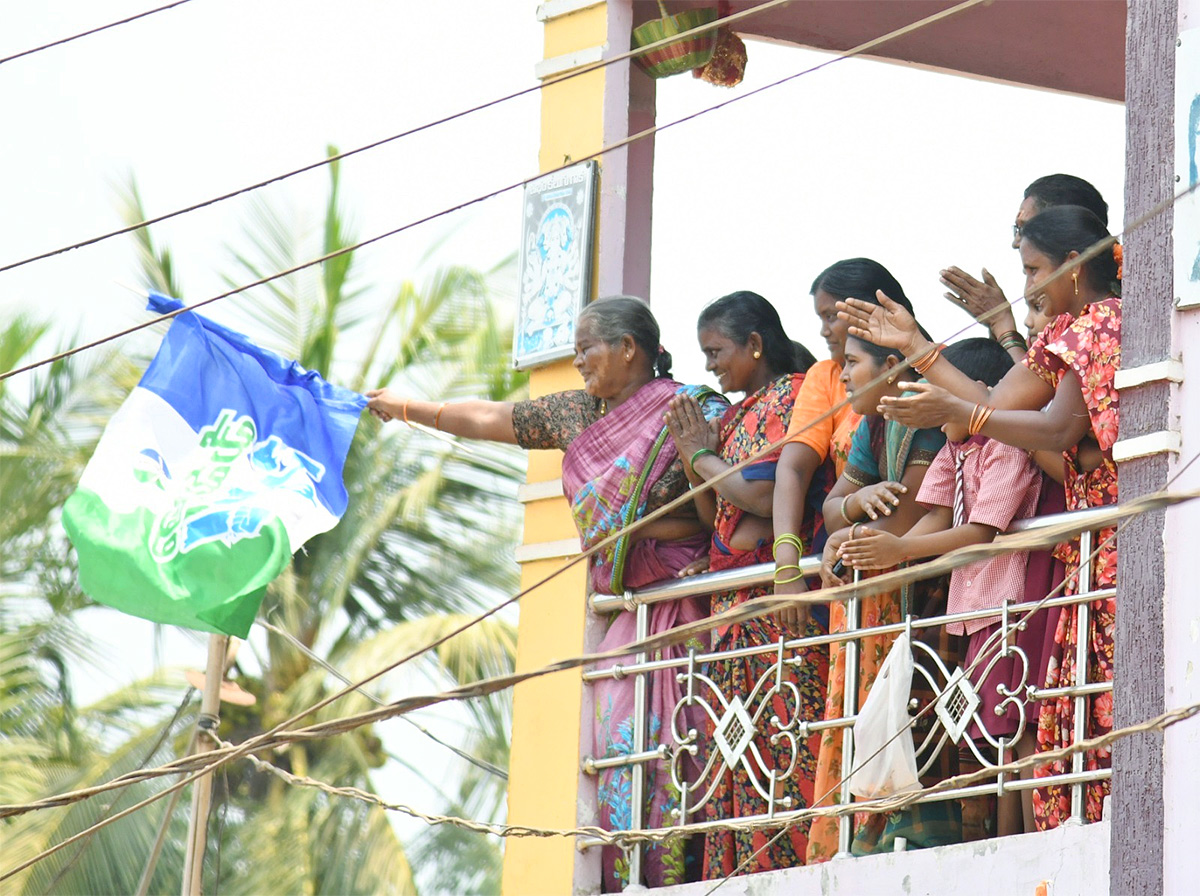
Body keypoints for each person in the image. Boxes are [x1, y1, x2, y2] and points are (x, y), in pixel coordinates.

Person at [367, 296, 728, 890]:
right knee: (618, 740)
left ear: (628, 348)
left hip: (691, 603)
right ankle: (626, 872)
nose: (579, 360)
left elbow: (719, 511)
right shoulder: (576, 414)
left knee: (685, 743)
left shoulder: (691, 410)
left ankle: (687, 869)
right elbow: (490, 419)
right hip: (624, 615)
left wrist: (649, 527)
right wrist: (405, 407)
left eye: (587, 347)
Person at [836, 204, 1121, 832]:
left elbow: (1054, 427)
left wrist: (970, 419)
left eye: (1033, 270)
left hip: (1115, 543)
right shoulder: (1062, 336)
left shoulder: (1102, 325)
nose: (1025, 289)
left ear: (1073, 269)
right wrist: (914, 345)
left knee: (1084, 719)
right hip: (1090, 547)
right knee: (1043, 721)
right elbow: (990, 399)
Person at [836, 338, 1047, 836]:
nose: (933, 413)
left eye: (940, 397)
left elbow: (981, 531)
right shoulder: (956, 446)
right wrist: (887, 550)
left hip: (1008, 603)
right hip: (973, 606)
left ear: (979, 393)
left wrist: (900, 552)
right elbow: (933, 513)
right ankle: (1001, 834)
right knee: (988, 727)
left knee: (1016, 728)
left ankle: (1021, 837)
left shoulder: (1005, 445)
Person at [790, 265, 960, 863]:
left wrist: (848, 528)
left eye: (853, 367)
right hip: (871, 599)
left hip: (918, 597)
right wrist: (850, 511)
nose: (844, 377)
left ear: (890, 367)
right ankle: (859, 828)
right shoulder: (871, 423)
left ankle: (899, 829)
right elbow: (837, 506)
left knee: (909, 714)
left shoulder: (918, 412)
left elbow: (908, 516)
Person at [662, 290, 828, 877]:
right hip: (734, 610)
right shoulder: (734, 413)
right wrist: (695, 460)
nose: (709, 365)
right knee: (737, 754)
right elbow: (718, 519)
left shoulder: (791, 397)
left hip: (772, 608)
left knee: (783, 745)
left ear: (755, 345)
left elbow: (760, 497)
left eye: (717, 351)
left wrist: (701, 459)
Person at [940, 173, 1109, 362]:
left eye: (1025, 228)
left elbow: (1025, 392)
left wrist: (1003, 325)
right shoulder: (1061, 309)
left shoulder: (1103, 321)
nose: (1016, 241)